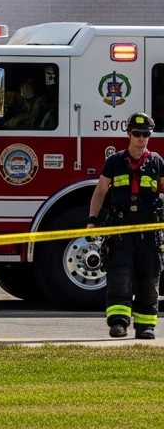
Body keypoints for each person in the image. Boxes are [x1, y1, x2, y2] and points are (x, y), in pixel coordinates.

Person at [87, 112, 164, 339]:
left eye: (145, 134)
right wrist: (92, 220)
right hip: (120, 231)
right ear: (129, 134)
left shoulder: (157, 162)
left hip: (149, 232)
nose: (141, 138)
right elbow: (100, 191)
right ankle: (119, 323)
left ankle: (145, 325)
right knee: (120, 276)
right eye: (137, 133)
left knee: (149, 277)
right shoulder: (115, 161)